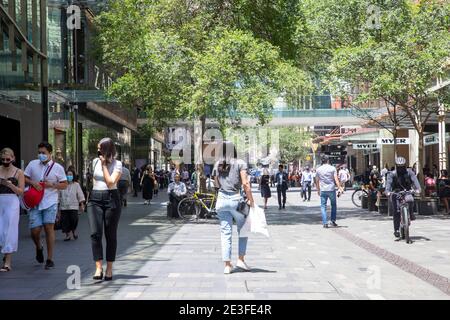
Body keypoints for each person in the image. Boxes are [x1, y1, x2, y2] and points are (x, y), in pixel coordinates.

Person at [24, 142, 68, 270]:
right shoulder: (32, 164)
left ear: (50, 153)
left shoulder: (57, 168)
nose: (41, 155)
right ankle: (39, 246)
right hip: (35, 201)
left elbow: (64, 184)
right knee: (34, 231)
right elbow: (24, 177)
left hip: (50, 201)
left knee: (49, 228)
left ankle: (50, 259)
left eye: (43, 153)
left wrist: (52, 185)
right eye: (39, 152)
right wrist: (33, 182)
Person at [212, 142, 255, 274]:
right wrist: (251, 201)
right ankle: (241, 260)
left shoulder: (217, 164)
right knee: (243, 230)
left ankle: (227, 265)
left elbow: (216, 183)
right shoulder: (240, 163)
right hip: (236, 200)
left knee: (225, 233)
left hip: (222, 200)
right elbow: (245, 184)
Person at [87, 138, 122, 281]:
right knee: (95, 233)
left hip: (111, 199)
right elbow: (94, 180)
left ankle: (109, 268)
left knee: (110, 235)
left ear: (107, 150)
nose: (98, 151)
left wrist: (104, 166)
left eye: (100, 148)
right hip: (95, 198)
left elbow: (110, 182)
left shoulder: (118, 164)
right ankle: (98, 267)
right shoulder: (95, 161)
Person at [0, 148, 25, 272]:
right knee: (1, 230)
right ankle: (5, 255)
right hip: (0, 201)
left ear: (13, 158)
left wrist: (10, 185)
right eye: (3, 159)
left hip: (12, 201)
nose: (5, 161)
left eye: (8, 159)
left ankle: (8, 262)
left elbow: (21, 192)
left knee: (9, 230)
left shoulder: (18, 172)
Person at [385, 156, 421, 239]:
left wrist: (418, 189)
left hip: (407, 191)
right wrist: (387, 191)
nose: (401, 168)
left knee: (410, 200)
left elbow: (415, 180)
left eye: (402, 166)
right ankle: (396, 230)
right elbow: (388, 184)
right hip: (395, 193)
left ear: (405, 165)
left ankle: (411, 214)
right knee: (396, 211)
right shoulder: (392, 174)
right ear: (396, 166)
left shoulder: (409, 172)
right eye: (399, 166)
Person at [316, 155, 343, 228]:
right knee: (333, 205)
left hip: (323, 190)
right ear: (328, 160)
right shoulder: (332, 168)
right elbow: (336, 179)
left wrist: (318, 190)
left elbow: (317, 181)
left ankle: (325, 223)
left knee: (323, 206)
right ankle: (333, 220)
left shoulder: (318, 169)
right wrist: (340, 187)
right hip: (331, 189)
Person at [58, 168, 85, 241]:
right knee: (65, 221)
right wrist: (57, 207)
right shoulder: (61, 185)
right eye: (67, 174)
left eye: (70, 174)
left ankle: (73, 230)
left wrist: (82, 204)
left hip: (73, 206)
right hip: (64, 206)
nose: (68, 176)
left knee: (74, 219)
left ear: (73, 176)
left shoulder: (76, 185)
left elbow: (80, 195)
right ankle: (68, 235)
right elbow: (58, 196)